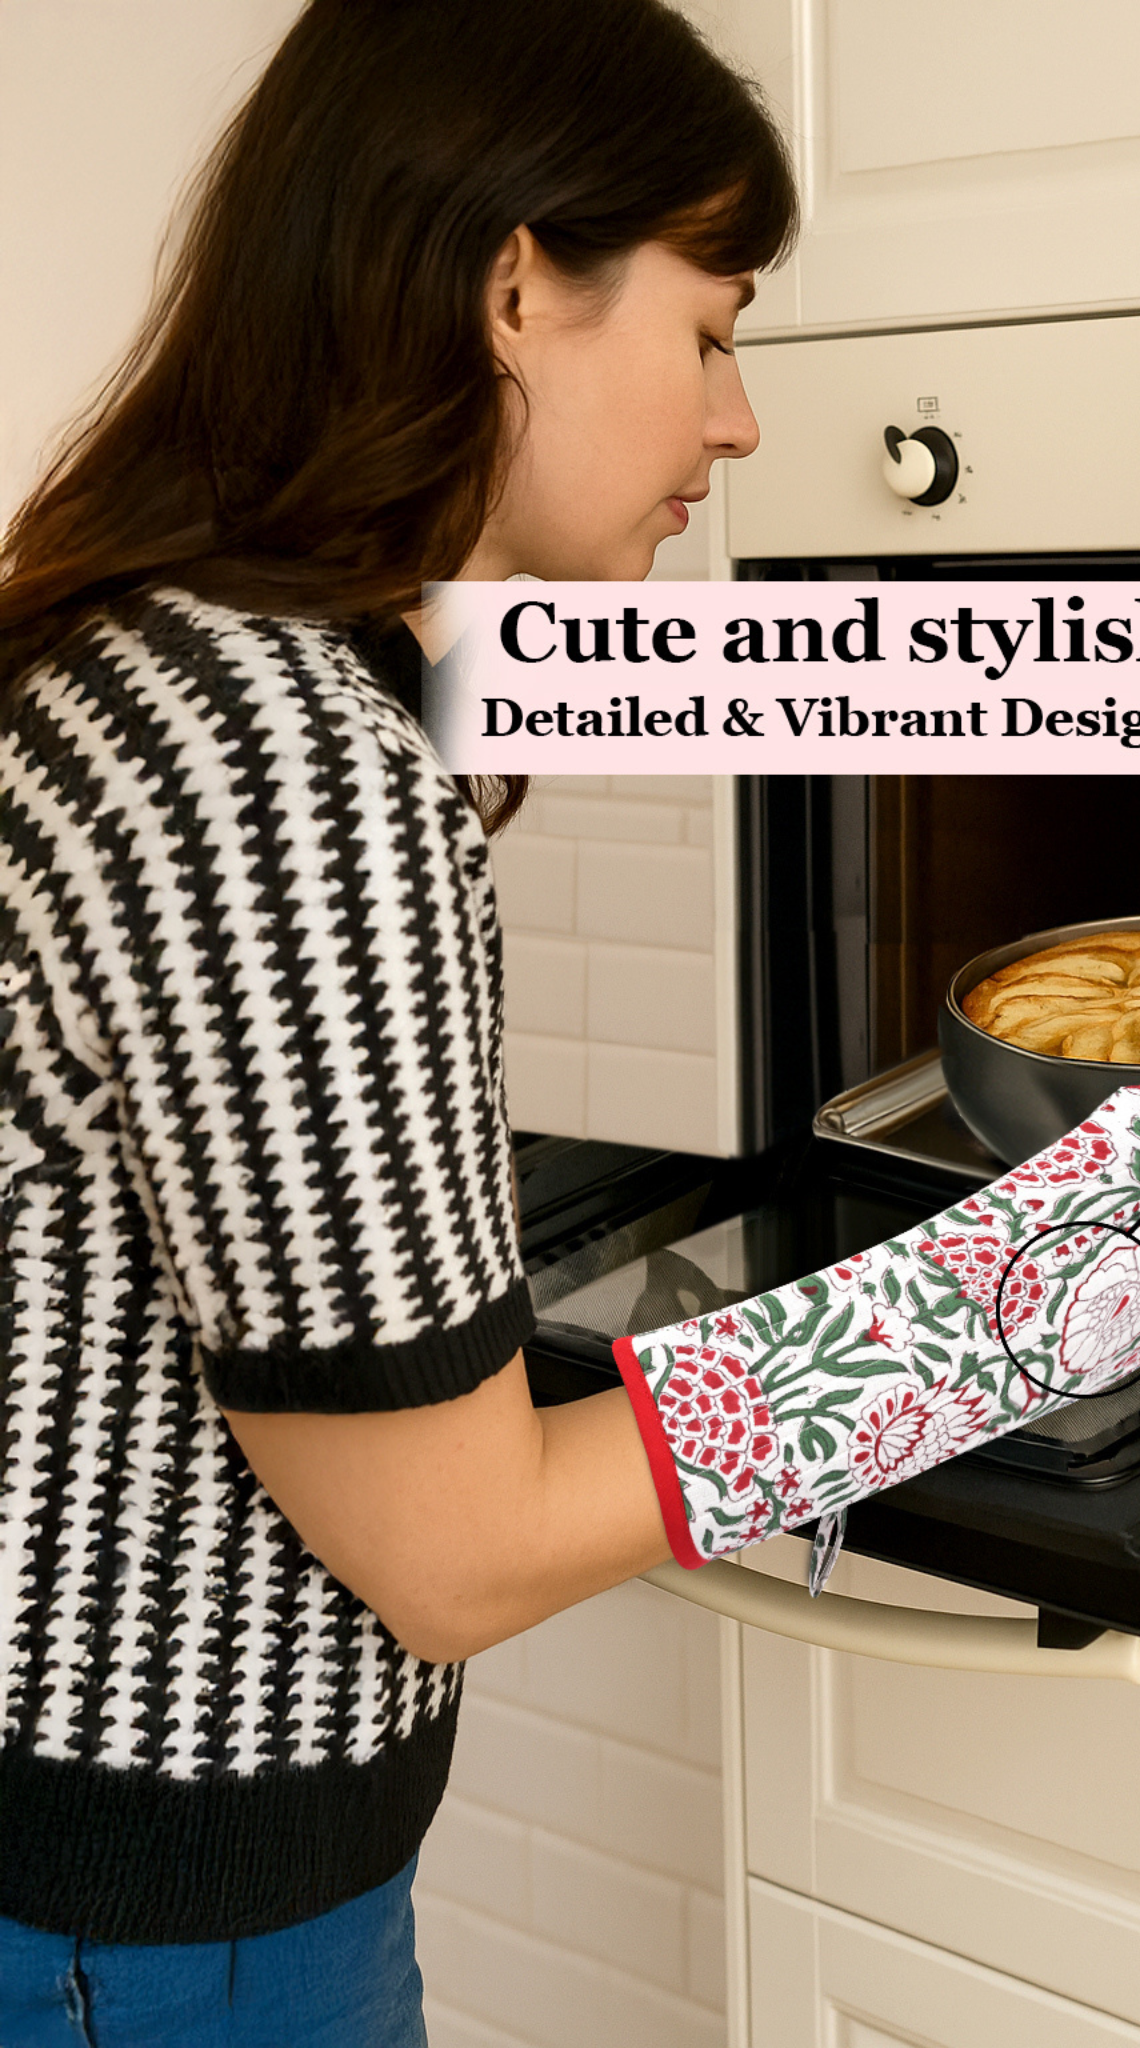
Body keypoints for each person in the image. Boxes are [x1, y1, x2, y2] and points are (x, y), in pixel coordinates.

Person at [0, 1, 796, 2037]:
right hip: (146, 1929)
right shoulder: (273, 750)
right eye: (712, 327)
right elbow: (454, 1551)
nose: (739, 421)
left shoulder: (154, 658)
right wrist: (1011, 1318)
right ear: (515, 284)